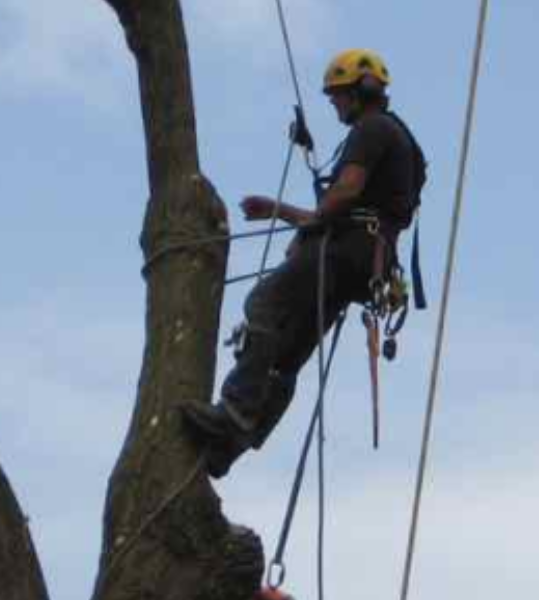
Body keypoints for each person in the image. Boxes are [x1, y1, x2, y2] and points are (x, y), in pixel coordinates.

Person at [181, 48, 426, 478]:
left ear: (360, 90)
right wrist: (287, 214)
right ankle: (232, 447)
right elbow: (346, 206)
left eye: (337, 96)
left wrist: (301, 219)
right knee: (286, 354)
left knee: (262, 306)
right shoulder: (395, 136)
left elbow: (346, 192)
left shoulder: (372, 128)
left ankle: (235, 411)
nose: (333, 104)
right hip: (364, 265)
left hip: (343, 251)